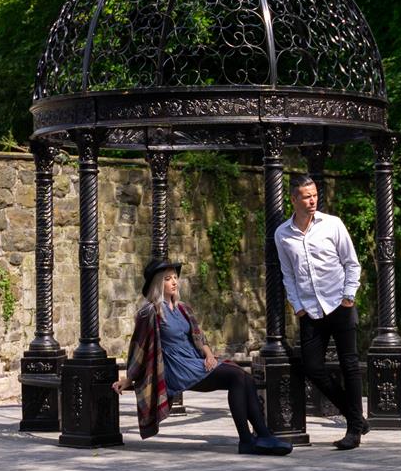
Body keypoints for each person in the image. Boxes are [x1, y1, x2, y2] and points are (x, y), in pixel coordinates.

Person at [115, 258, 293, 455]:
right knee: (236, 377)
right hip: (176, 368)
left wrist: (208, 355)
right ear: (158, 284)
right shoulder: (149, 312)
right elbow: (139, 349)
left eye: (175, 277)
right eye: (168, 279)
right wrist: (128, 379)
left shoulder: (183, 308)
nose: (174, 281)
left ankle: (261, 436)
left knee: (245, 378)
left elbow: (200, 337)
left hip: (194, 361)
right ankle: (249, 439)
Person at [274, 173, 369, 450]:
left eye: (314, 194)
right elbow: (287, 274)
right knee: (313, 368)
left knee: (349, 365)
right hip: (310, 311)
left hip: (340, 304)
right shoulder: (283, 234)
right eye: (306, 196)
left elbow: (351, 263)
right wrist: (298, 307)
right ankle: (356, 416)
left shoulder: (333, 225)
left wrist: (349, 297)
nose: (312, 199)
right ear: (293, 199)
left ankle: (353, 429)